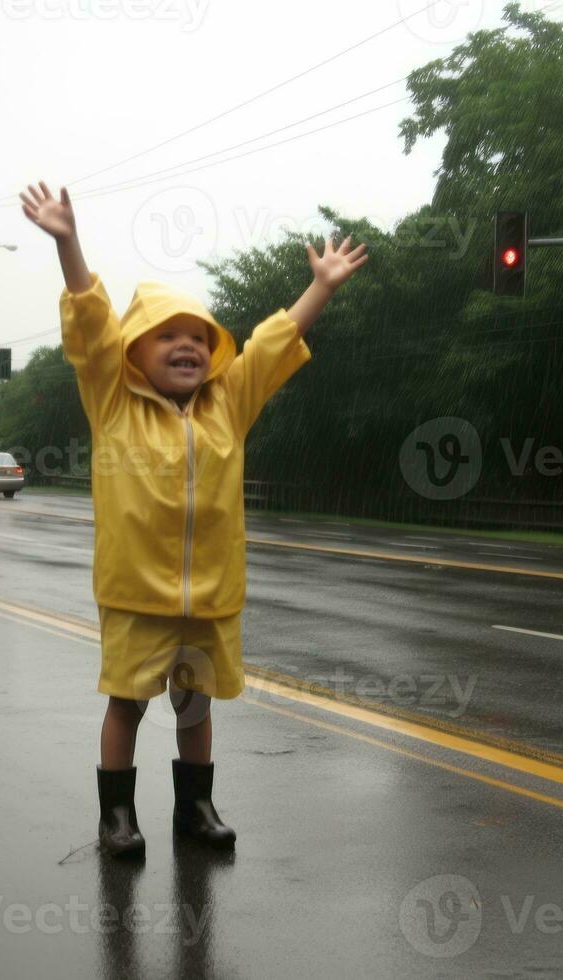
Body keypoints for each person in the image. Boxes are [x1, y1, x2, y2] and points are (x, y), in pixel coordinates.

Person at [20, 181, 367, 859]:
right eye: (167, 336)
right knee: (126, 704)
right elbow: (90, 325)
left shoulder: (226, 405)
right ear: (134, 352)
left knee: (196, 706)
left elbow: (271, 344)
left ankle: (195, 808)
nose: (187, 347)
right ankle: (116, 816)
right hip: (134, 593)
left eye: (198, 338)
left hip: (208, 594)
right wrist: (67, 241)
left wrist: (321, 285)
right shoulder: (112, 401)